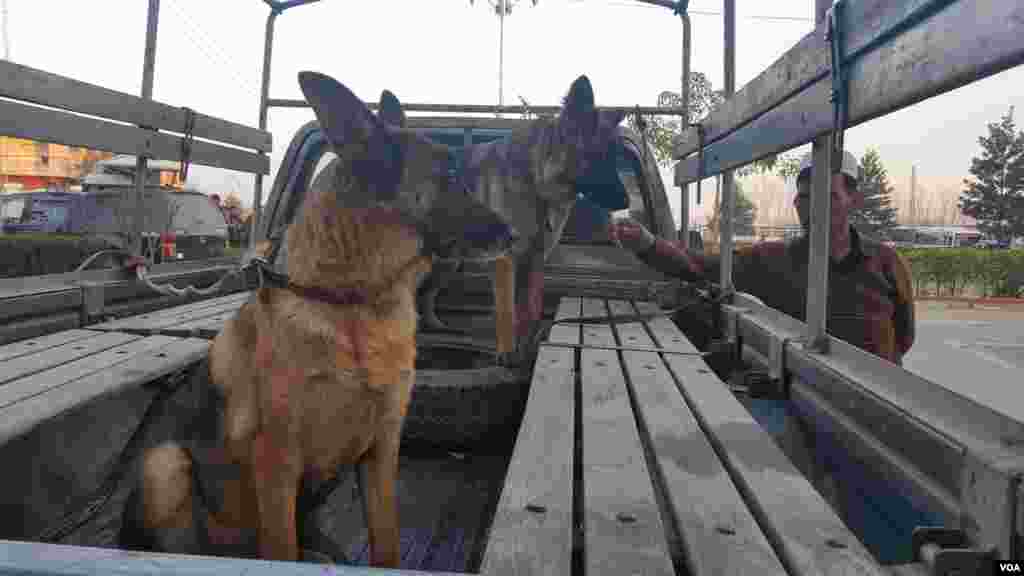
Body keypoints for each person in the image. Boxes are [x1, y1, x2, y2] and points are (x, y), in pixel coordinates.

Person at [610, 150, 915, 365]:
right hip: (813, 399)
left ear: (854, 201)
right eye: (806, 197)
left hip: (883, 404)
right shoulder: (774, 261)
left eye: (829, 196)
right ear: (796, 202)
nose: (813, 207)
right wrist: (647, 243)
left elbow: (904, 339)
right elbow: (701, 267)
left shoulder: (887, 263)